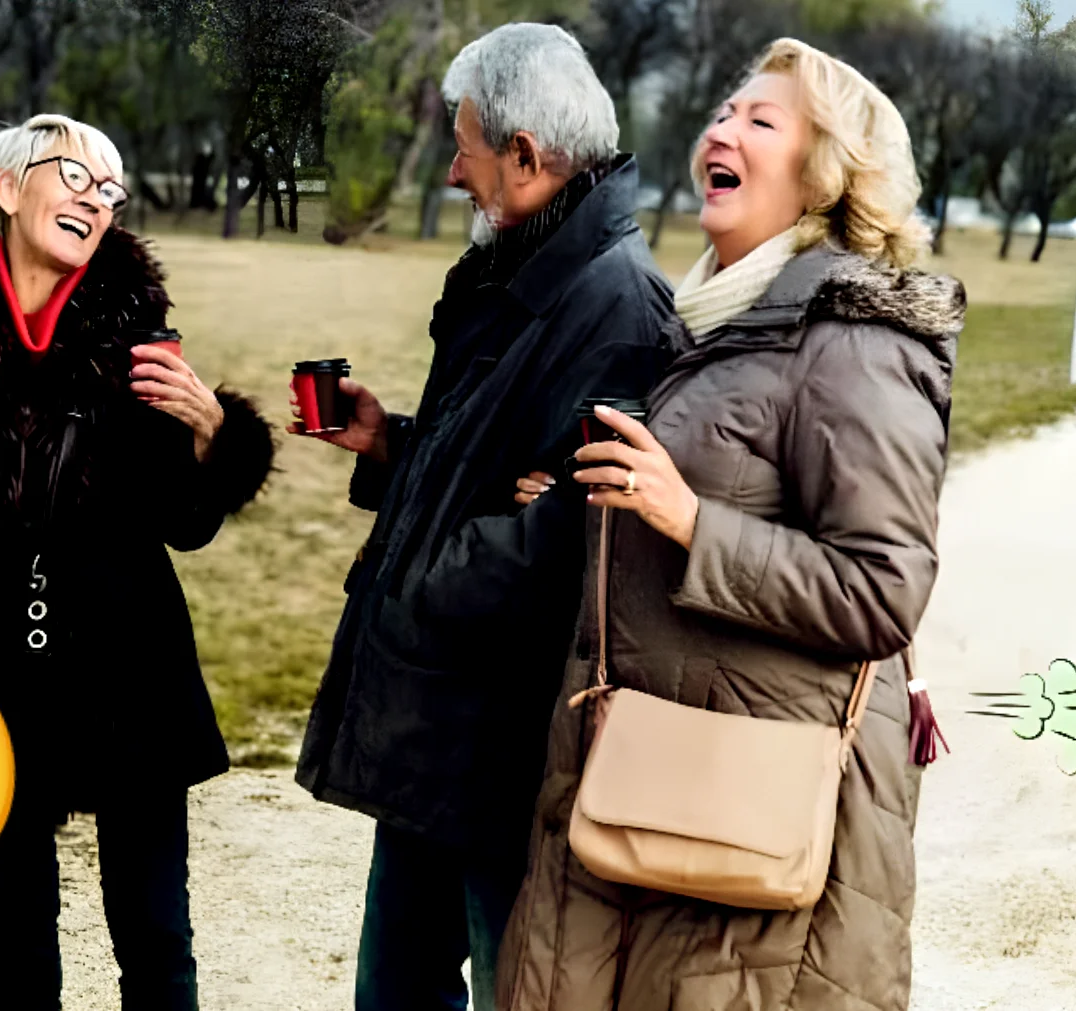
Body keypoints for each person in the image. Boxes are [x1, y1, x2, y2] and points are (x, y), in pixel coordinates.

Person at [496, 38, 965, 1011]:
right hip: (642, 781)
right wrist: (597, 517)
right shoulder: (707, 321)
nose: (722, 128)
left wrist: (687, 520)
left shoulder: (858, 342)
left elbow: (882, 590)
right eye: (722, 112)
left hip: (743, 833)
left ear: (825, 174)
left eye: (761, 120)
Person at [293, 23, 677, 1011]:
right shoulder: (510, 275)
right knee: (394, 994)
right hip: (438, 732)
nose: (455, 167)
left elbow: (578, 526)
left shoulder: (620, 306)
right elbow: (496, 468)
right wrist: (393, 447)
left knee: (518, 991)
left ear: (526, 154)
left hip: (509, 745)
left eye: (465, 144)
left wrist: (425, 584)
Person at [0, 114, 273, 1011]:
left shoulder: (139, 332)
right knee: (12, 916)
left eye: (111, 190)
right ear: (9, 187)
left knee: (153, 926)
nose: (96, 200)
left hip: (128, 659)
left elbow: (187, 524)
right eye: (75, 176)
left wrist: (214, 438)